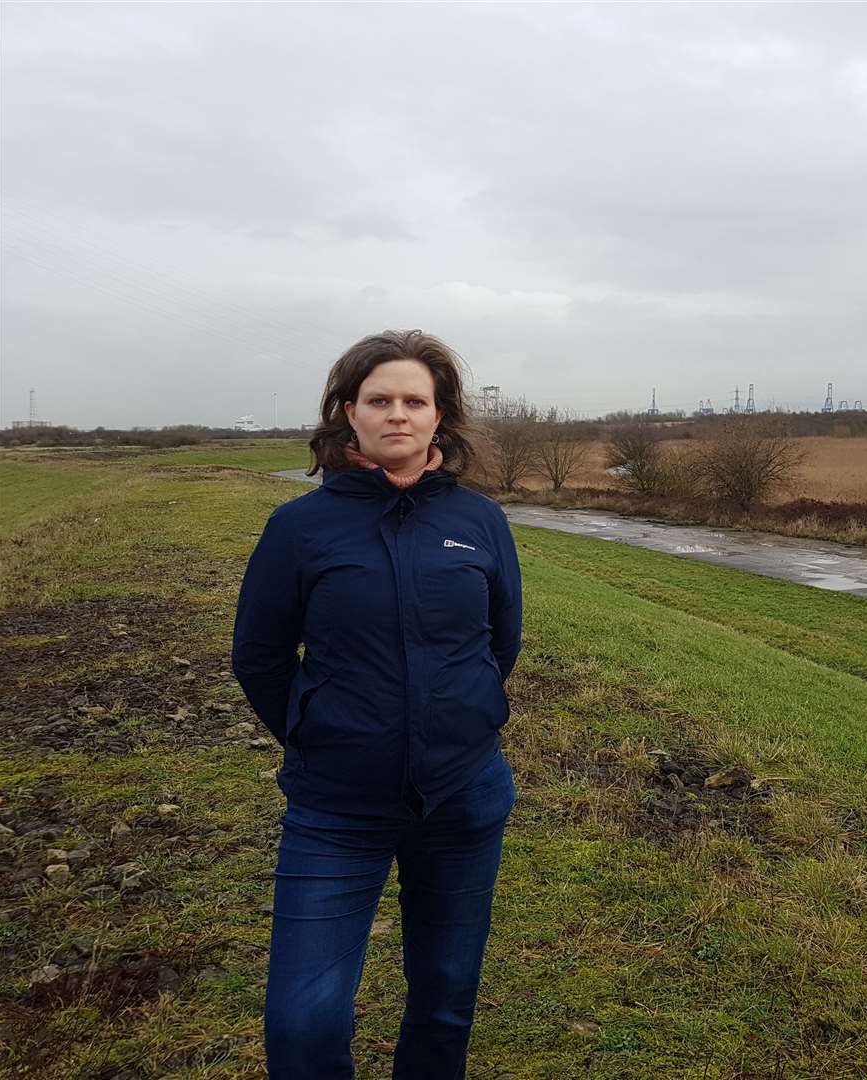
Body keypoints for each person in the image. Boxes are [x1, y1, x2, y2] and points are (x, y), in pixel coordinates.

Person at [231, 329, 522, 1080]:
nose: (397, 413)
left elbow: (502, 641)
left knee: (446, 1000)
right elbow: (260, 656)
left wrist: (468, 716)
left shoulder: (481, 522)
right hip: (336, 807)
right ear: (348, 415)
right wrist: (318, 734)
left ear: (440, 417)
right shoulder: (299, 527)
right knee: (304, 1023)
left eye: (414, 400)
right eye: (379, 400)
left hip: (464, 800)